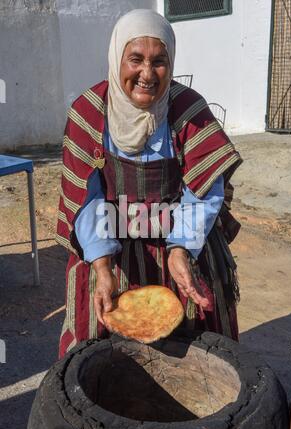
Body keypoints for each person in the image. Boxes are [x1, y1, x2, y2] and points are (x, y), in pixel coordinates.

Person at [56, 9, 242, 358]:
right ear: (117, 58)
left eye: (159, 62)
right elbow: (87, 197)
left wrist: (180, 249)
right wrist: (101, 265)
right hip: (110, 251)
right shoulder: (88, 113)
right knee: (100, 350)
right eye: (135, 59)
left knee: (203, 352)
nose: (147, 74)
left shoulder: (188, 109)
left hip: (184, 244)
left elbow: (203, 190)